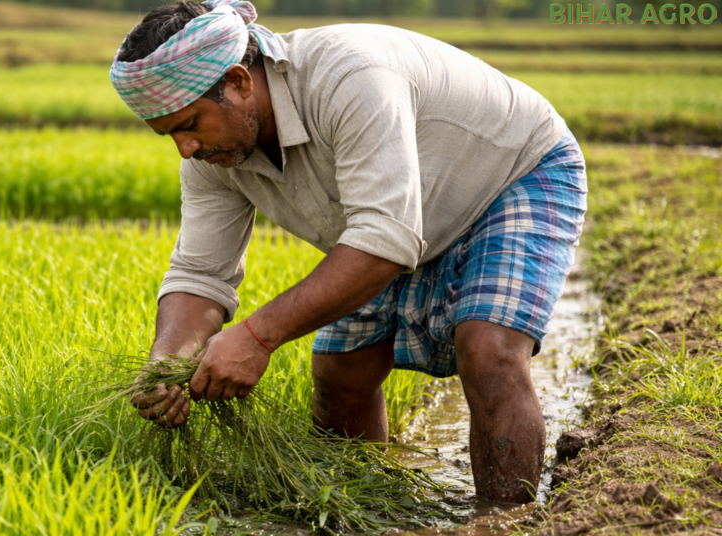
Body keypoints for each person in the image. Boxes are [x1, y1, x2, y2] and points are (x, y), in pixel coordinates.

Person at [112, 0, 587, 504]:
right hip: (402, 212)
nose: (185, 148)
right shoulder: (212, 157)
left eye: (190, 123)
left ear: (238, 82)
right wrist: (167, 361)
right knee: (341, 370)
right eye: (170, 135)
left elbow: (385, 239)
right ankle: (367, 507)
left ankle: (502, 520)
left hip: (512, 174)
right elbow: (200, 273)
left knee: (489, 351)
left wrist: (255, 336)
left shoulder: (349, 77)